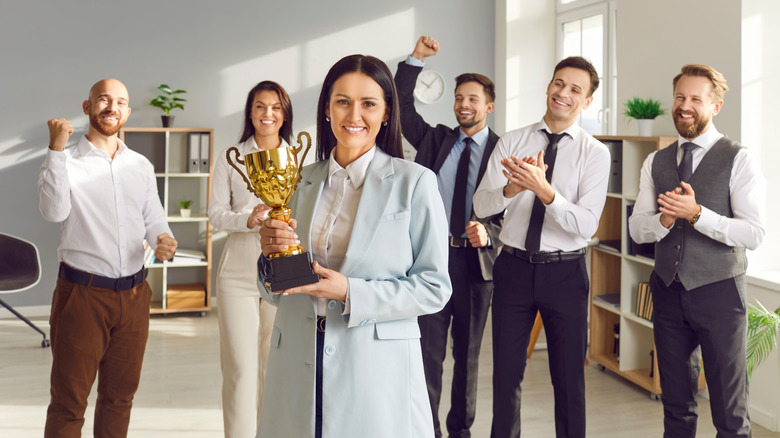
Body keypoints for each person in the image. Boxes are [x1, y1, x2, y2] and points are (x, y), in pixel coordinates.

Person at [255, 54, 452, 438]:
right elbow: (274, 292)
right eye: (342, 101)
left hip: (375, 366)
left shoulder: (415, 183)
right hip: (297, 355)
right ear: (327, 108)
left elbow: (434, 288)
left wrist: (349, 292)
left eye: (368, 103)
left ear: (386, 112)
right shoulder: (296, 180)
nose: (353, 115)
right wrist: (269, 259)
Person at [473, 57, 610, 438]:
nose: (563, 94)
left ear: (588, 101)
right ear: (549, 86)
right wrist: (511, 188)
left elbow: (587, 224)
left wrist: (546, 192)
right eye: (558, 83)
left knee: (568, 383)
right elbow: (481, 205)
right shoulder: (512, 141)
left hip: (565, 273)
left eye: (575, 89)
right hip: (513, 269)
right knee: (505, 377)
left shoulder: (595, 154)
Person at [628, 65, 765, 438]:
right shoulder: (655, 161)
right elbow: (638, 228)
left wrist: (698, 214)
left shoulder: (739, 158)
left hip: (720, 292)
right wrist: (666, 221)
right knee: (675, 406)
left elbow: (754, 233)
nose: (684, 106)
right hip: (668, 291)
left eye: (695, 100)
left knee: (729, 410)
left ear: (716, 105)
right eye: (679, 98)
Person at [39, 78, 177, 437]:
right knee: (69, 402)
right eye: (103, 99)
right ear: (88, 107)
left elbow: (153, 219)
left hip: (134, 296)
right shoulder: (65, 160)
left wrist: (163, 239)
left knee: (120, 398)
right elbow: (53, 212)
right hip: (82, 296)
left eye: (120, 102)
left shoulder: (141, 166)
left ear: (127, 113)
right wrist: (55, 148)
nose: (111, 107)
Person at [394, 35, 503, 438]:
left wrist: (489, 232)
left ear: (488, 107)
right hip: (431, 260)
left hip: (475, 265)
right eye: (459, 97)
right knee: (428, 353)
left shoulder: (502, 150)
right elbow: (402, 108)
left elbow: (514, 209)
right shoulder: (436, 139)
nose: (463, 104)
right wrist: (415, 60)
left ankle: (460, 431)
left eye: (472, 99)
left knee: (468, 356)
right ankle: (428, 430)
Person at [208, 81, 293, 437]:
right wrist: (247, 219)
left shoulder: (298, 157)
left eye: (275, 107)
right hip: (238, 270)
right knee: (240, 368)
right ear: (250, 112)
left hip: (285, 264)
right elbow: (214, 214)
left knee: (275, 367)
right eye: (260, 106)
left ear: (284, 113)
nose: (267, 114)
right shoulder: (231, 155)